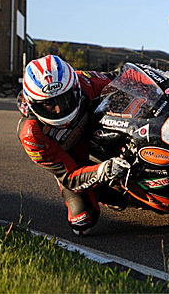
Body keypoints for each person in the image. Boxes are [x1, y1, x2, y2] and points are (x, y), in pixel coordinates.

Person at [17, 56, 130, 235]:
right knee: (82, 221)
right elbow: (70, 176)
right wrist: (103, 171)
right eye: (48, 104)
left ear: (74, 88)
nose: (59, 110)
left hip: (98, 131)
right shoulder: (31, 133)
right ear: (33, 104)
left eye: (65, 99)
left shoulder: (84, 82)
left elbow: (124, 79)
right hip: (70, 157)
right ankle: (104, 191)